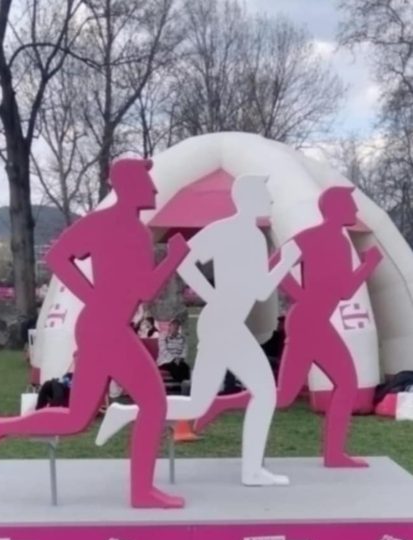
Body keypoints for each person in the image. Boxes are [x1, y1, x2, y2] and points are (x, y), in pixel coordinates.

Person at [0, 158, 189, 510]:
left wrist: (91, 296)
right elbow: (145, 290)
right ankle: (141, 491)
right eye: (148, 183)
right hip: (107, 331)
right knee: (153, 402)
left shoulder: (110, 225)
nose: (155, 188)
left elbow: (58, 258)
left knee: (77, 418)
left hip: (102, 327)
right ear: (130, 186)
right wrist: (174, 258)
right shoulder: (132, 232)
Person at [97, 175, 300, 487]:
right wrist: (285, 261)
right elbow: (254, 288)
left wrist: (213, 295)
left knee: (199, 404)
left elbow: (194, 265)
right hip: (224, 325)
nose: (270, 200)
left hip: (222, 323)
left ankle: (125, 412)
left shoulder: (241, 233)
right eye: (265, 194)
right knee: (265, 393)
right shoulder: (241, 234)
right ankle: (252, 471)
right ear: (249, 198)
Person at [276, 186, 382, 467]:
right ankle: (334, 455)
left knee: (285, 396)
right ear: (337, 209)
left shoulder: (336, 242)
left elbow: (343, 291)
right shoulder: (318, 238)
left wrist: (300, 296)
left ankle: (334, 454)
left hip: (313, 322)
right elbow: (275, 265)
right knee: (341, 385)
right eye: (351, 204)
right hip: (309, 322)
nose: (355, 210)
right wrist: (368, 265)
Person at [157, 318, 190, 383]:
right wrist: (173, 359)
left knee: (185, 367)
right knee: (174, 367)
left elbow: (185, 350)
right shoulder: (163, 336)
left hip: (178, 360)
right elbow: (163, 350)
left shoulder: (182, 338)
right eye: (173, 325)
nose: (175, 327)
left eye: (177, 325)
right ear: (169, 326)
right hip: (166, 360)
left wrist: (180, 358)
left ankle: (186, 385)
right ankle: (181, 383)